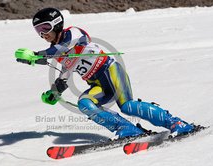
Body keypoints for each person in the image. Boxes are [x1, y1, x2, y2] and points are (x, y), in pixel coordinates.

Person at [15, 8, 195, 138]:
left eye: (45, 28)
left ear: (57, 24)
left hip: (111, 70)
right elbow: (64, 75)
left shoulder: (74, 33)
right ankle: (128, 130)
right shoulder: (58, 53)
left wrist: (36, 55)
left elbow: (64, 47)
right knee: (85, 103)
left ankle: (176, 123)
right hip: (98, 84)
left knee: (127, 106)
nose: (42, 34)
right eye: (38, 31)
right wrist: (54, 93)